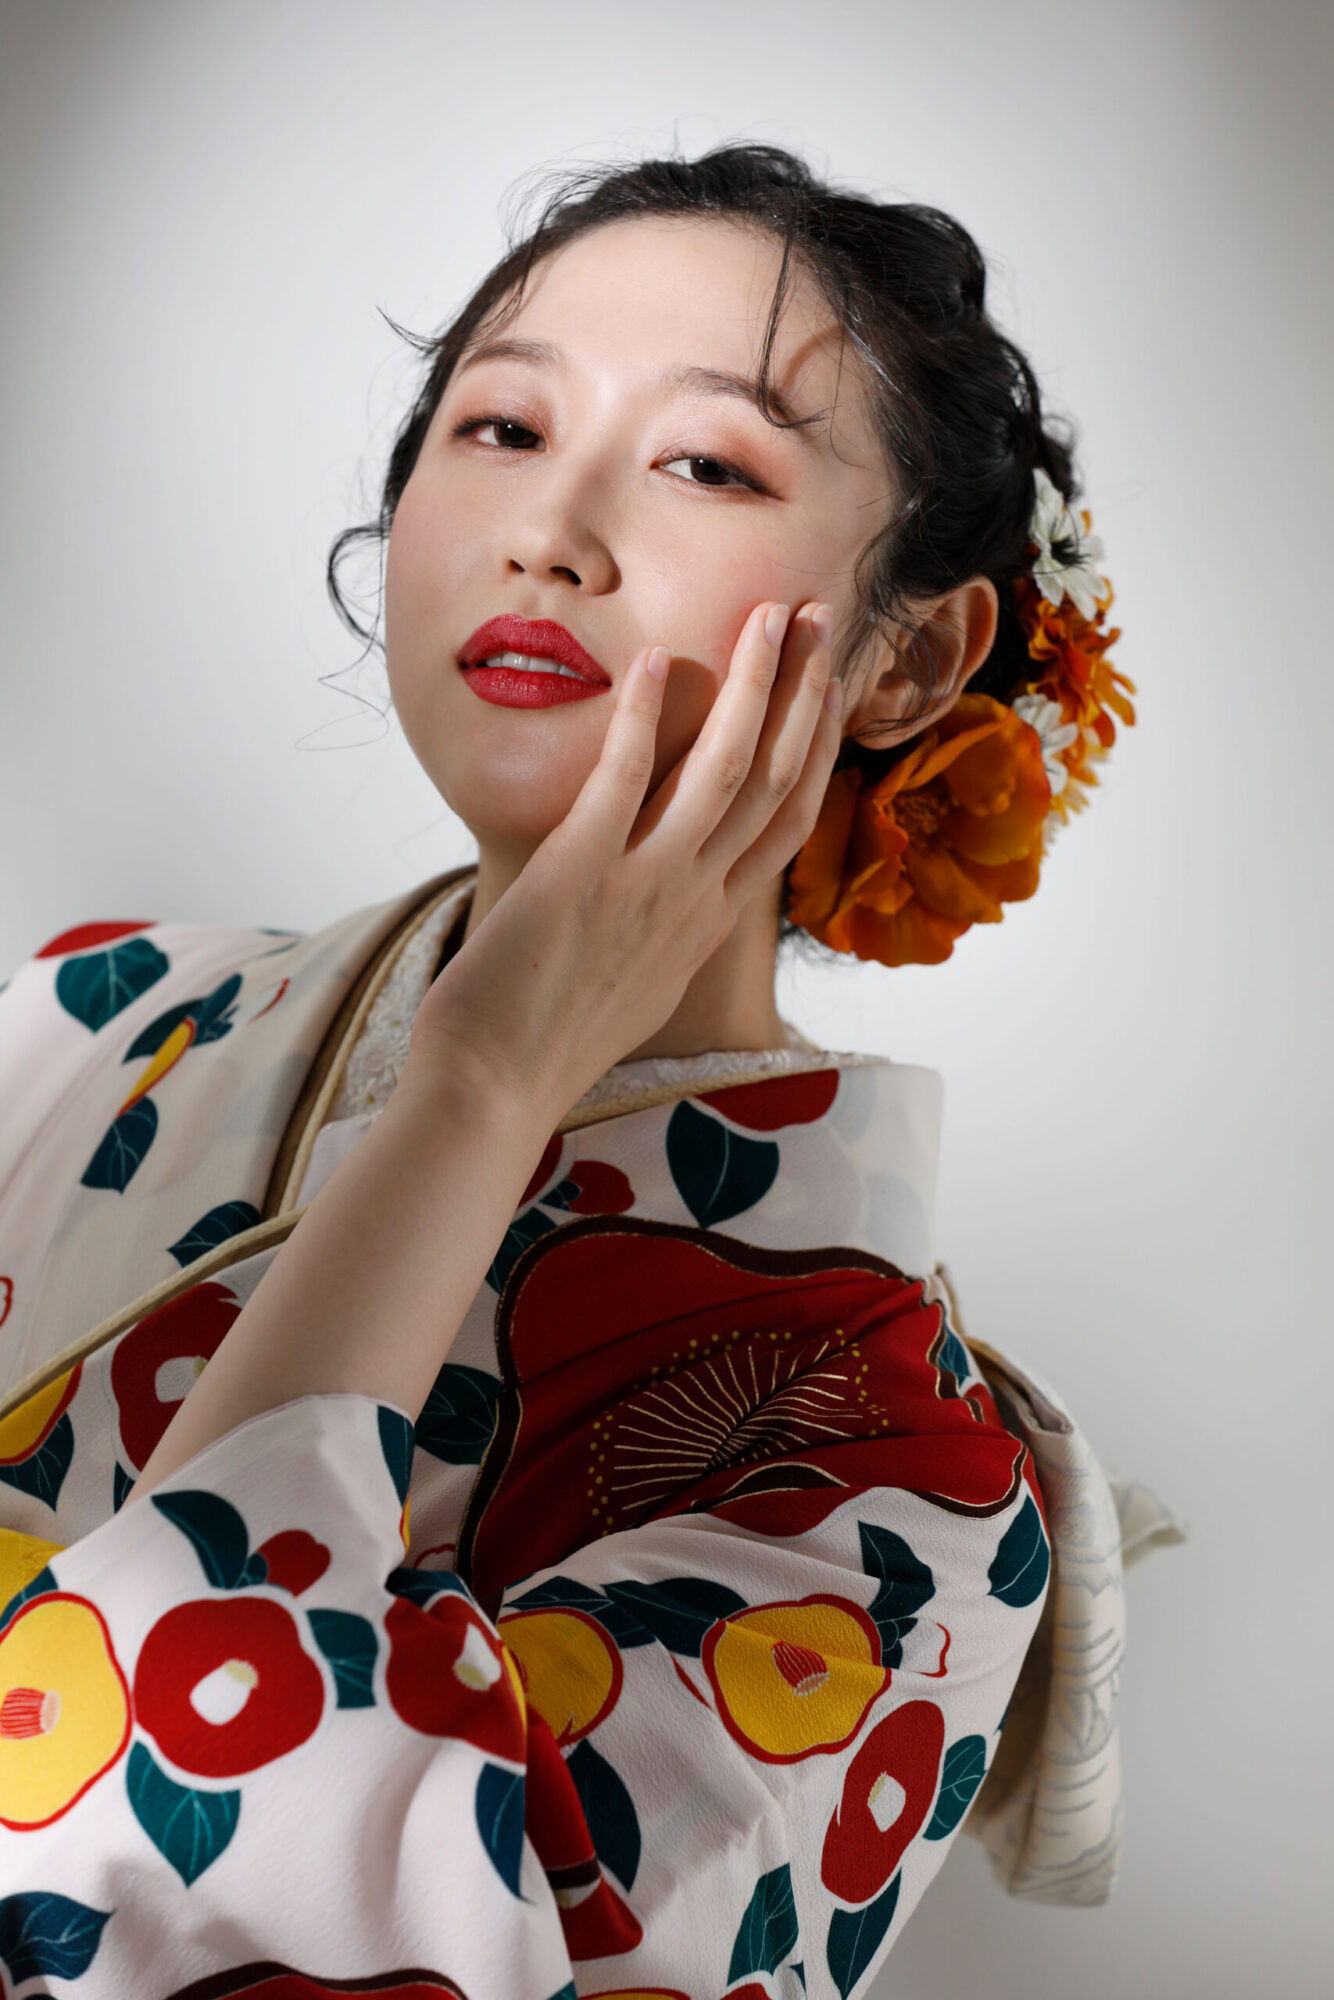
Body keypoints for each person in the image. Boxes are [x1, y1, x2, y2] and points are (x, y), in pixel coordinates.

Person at [0, 145, 1183, 1997]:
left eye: (707, 465)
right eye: (497, 428)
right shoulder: (82, 1014)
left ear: (914, 656)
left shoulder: (896, 1493)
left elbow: (200, 1888)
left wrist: (480, 1092)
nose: (550, 528)